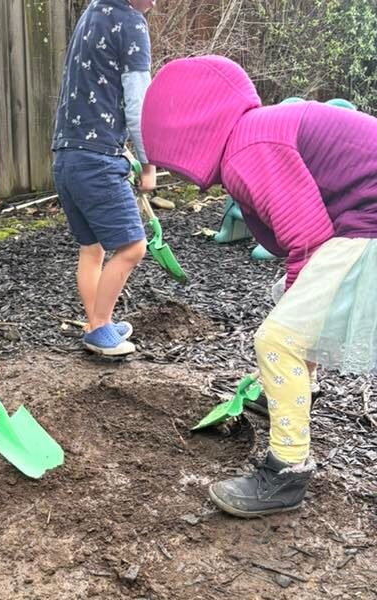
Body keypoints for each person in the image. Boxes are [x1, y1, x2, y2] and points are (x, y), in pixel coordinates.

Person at [141, 54, 377, 517]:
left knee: (278, 336)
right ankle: (288, 392)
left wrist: (294, 328)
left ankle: (286, 473)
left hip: (366, 223)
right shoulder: (259, 130)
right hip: (358, 220)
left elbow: (306, 240)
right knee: (292, 326)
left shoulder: (250, 148)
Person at [52, 0, 157, 356]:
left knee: (92, 248)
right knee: (133, 247)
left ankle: (100, 322)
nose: (156, 3)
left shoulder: (92, 13)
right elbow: (140, 102)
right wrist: (148, 162)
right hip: (97, 160)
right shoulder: (131, 23)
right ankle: (99, 327)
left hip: (66, 155)